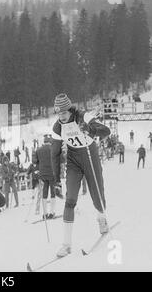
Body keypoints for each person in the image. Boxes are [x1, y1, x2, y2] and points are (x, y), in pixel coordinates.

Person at [50, 93, 111, 258]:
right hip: (73, 161)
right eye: (59, 113)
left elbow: (106, 131)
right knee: (70, 200)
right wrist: (56, 180)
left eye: (64, 112)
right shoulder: (57, 127)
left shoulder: (83, 116)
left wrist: (89, 129)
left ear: (70, 109)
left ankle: (102, 218)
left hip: (90, 155)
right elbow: (54, 154)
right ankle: (66, 244)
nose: (61, 116)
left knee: (97, 195)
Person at [33, 136, 56, 218]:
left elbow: (34, 161)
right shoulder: (53, 148)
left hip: (43, 174)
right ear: (50, 141)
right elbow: (61, 159)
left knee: (45, 192)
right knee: (53, 193)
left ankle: (45, 213)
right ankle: (52, 212)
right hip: (52, 174)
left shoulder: (38, 150)